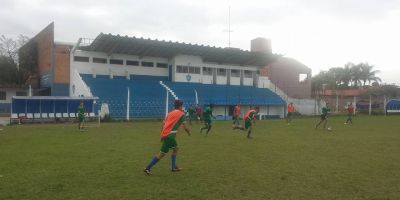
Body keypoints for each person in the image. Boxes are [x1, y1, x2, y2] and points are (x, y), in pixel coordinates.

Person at [144, 99, 191, 175]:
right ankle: (148, 168)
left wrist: (162, 135)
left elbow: (164, 125)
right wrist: (189, 132)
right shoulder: (181, 114)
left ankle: (173, 167)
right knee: (162, 154)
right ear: (180, 106)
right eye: (182, 106)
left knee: (175, 149)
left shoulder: (169, 113)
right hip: (170, 136)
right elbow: (185, 127)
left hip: (167, 135)